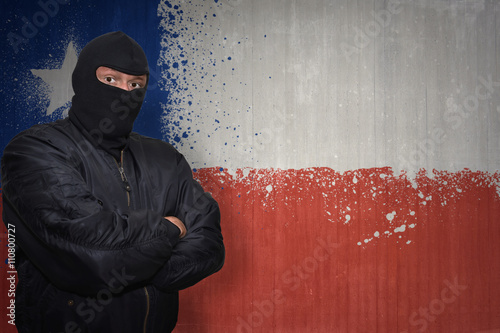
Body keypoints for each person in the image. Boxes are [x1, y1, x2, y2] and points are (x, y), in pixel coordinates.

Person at [1, 31, 224, 333]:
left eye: (135, 85)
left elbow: (208, 246)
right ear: (83, 80)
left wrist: (137, 263)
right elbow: (91, 255)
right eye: (110, 80)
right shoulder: (34, 150)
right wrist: (171, 229)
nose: (124, 92)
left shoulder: (165, 158)